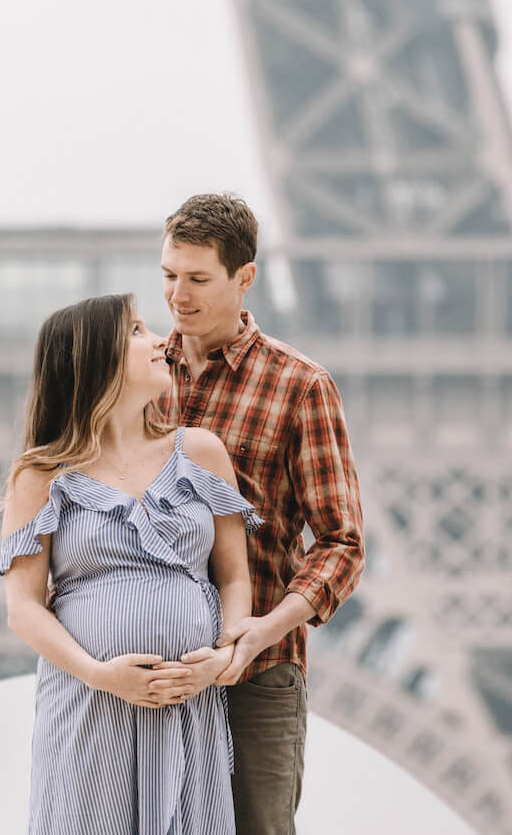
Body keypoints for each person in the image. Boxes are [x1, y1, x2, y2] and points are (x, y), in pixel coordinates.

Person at [0, 293, 262, 834]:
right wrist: (100, 675)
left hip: (187, 707)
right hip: (90, 707)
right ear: (95, 358)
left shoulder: (202, 453)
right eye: (137, 330)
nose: (161, 339)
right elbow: (23, 609)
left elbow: (234, 577)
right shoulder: (40, 477)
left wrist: (220, 660)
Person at [154, 193, 366, 835]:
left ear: (245, 277)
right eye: (168, 275)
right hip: (148, 669)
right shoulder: (132, 375)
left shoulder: (300, 385)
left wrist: (266, 629)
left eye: (197, 279)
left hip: (258, 676)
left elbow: (342, 542)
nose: (177, 296)